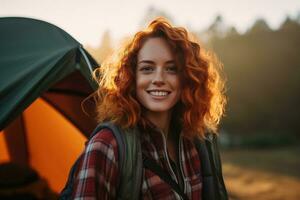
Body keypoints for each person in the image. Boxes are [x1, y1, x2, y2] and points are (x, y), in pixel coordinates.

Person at [70, 18, 227, 199]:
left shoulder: (200, 141)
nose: (159, 78)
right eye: (147, 69)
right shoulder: (106, 145)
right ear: (131, 77)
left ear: (187, 78)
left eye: (171, 69)